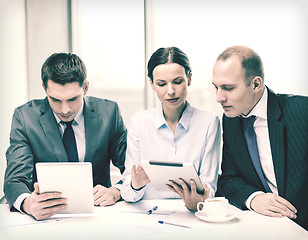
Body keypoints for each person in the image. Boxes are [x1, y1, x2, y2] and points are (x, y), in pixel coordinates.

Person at [4, 53, 127, 220]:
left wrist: (116, 191)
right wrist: (28, 203)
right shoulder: (25, 118)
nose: (65, 110)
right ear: (44, 88)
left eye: (72, 99)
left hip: (101, 215)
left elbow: (132, 168)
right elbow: (15, 180)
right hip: (47, 219)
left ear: (85, 88)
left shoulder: (109, 113)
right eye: (55, 100)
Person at [212, 45, 308, 230]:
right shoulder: (231, 119)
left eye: (228, 88)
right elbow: (228, 179)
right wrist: (254, 198)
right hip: (263, 227)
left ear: (256, 84)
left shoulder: (302, 112)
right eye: (216, 87)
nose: (219, 97)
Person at [120, 47, 221, 211]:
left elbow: (209, 186)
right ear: (152, 84)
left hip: (193, 214)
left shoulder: (209, 122)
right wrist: (136, 185)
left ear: (189, 79)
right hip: (149, 214)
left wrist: (199, 200)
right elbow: (128, 192)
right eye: (161, 84)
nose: (171, 91)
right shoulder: (139, 123)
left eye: (177, 81)